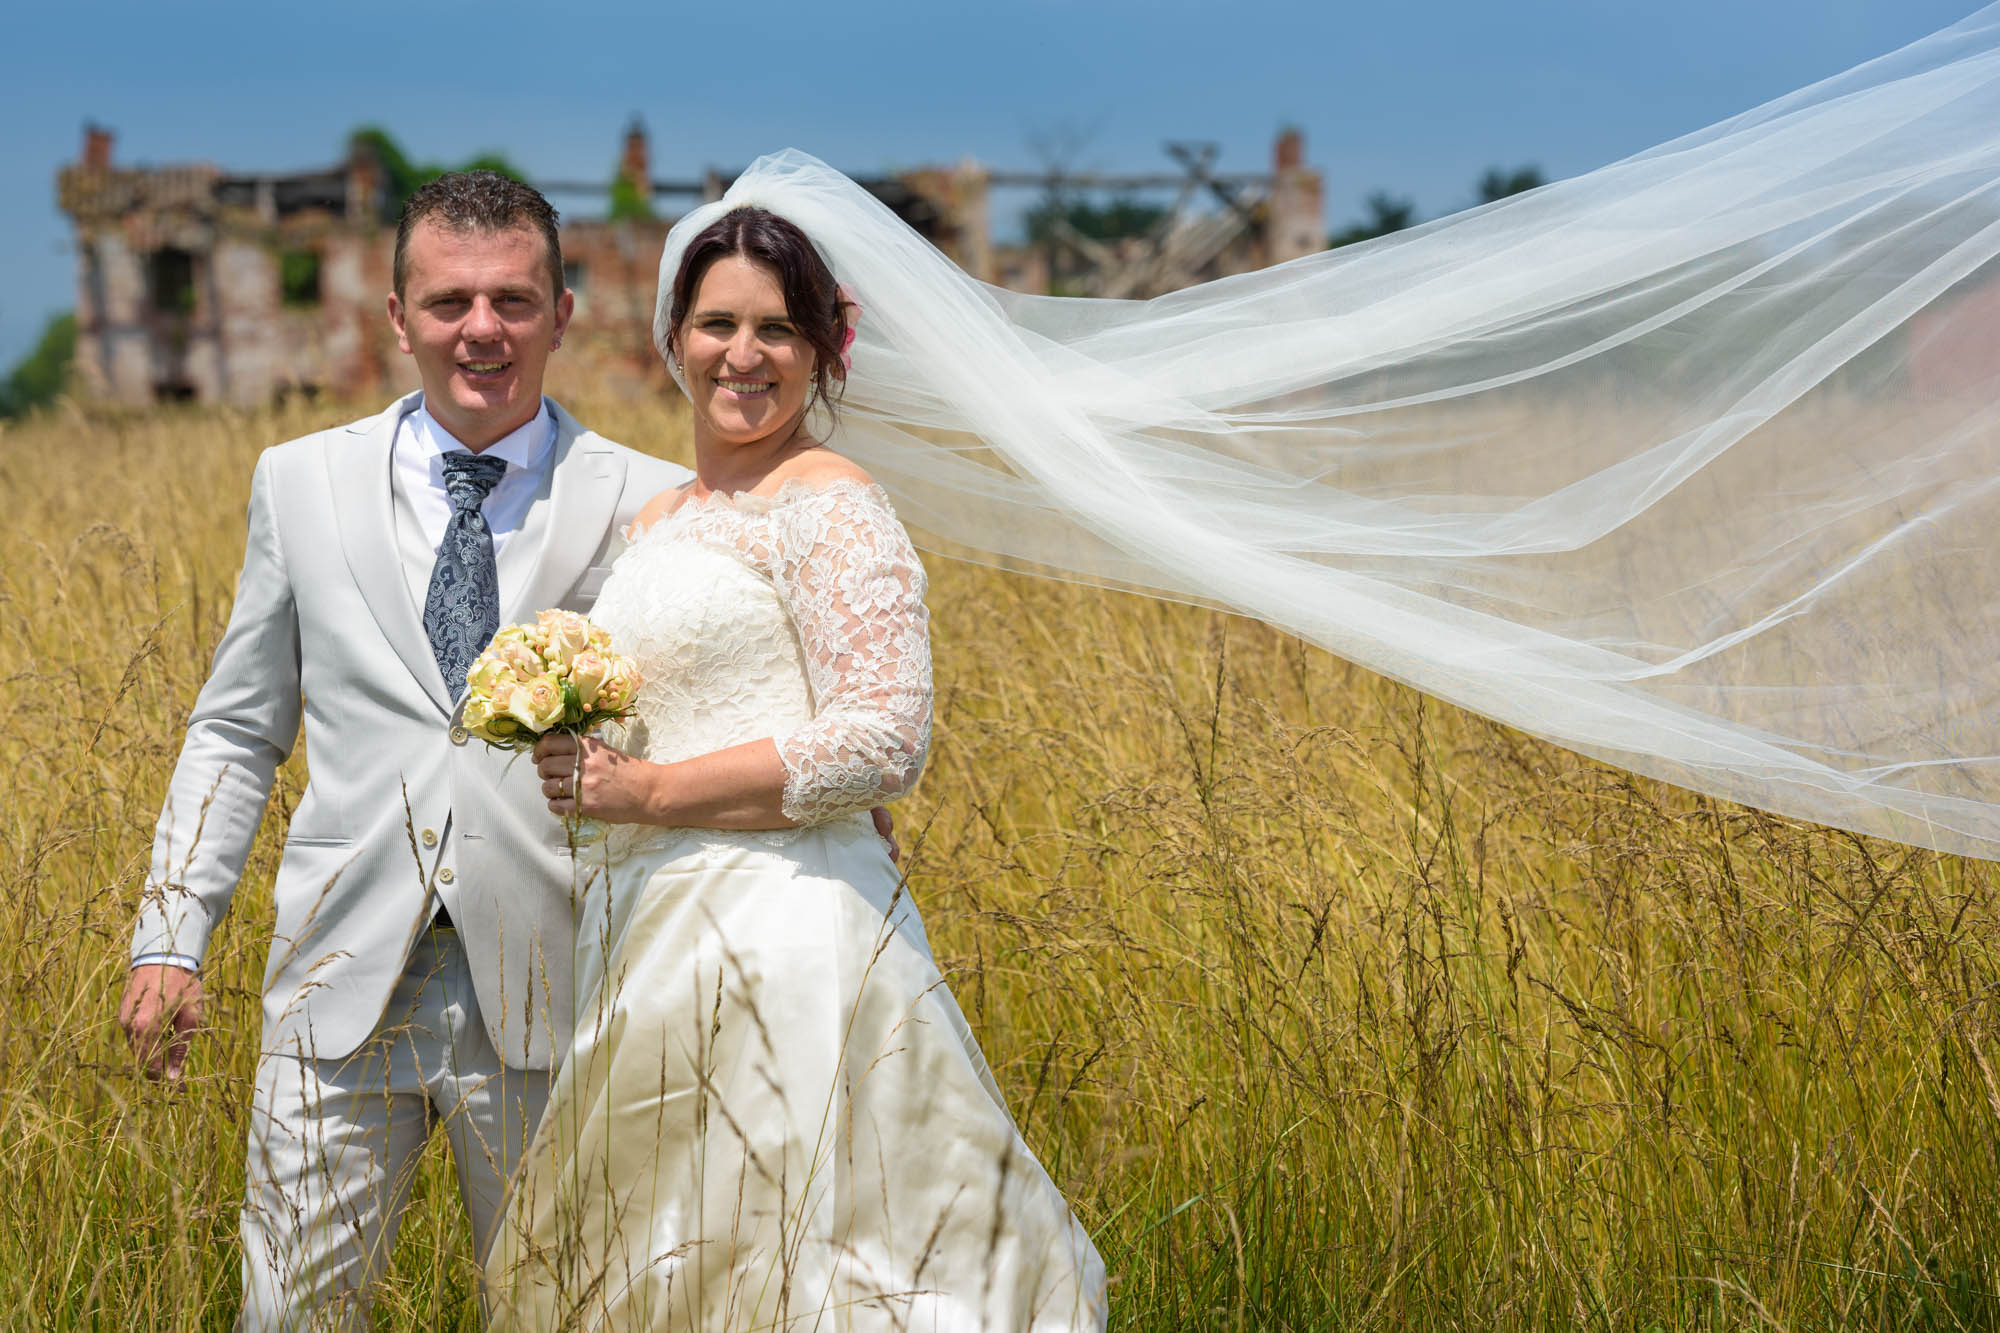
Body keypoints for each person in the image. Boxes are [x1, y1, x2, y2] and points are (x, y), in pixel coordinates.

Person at [484, 204, 1108, 1329]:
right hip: (651, 937)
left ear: (823, 348)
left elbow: (883, 737)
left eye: (776, 329)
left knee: (808, 1252)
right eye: (717, 323)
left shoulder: (830, 504)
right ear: (673, 338)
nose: (743, 353)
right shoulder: (661, 518)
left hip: (787, 936)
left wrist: (652, 792)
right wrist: (581, 754)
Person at [116, 171, 694, 1328]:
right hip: (337, 983)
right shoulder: (298, 482)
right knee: (287, 1314)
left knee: (566, 1313)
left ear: (563, 312)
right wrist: (172, 932)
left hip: (557, 990)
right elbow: (238, 725)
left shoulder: (649, 498)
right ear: (396, 317)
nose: (481, 329)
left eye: (513, 301)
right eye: (448, 302)